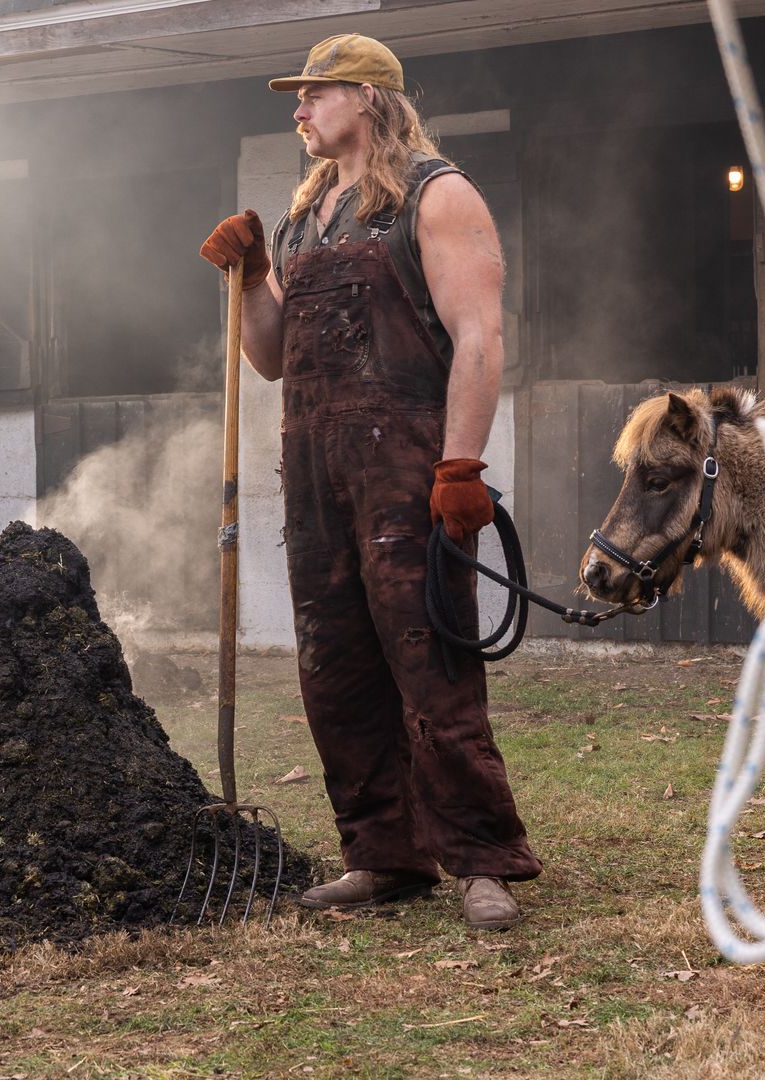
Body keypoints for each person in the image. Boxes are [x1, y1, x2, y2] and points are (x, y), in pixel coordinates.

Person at [198, 34, 539, 928]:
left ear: (370, 98)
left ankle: (478, 858)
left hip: (407, 466)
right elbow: (270, 359)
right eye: (298, 96)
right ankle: (382, 853)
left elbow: (479, 339)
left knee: (431, 660)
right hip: (314, 471)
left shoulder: (438, 194)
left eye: (315, 94)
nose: (299, 110)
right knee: (335, 666)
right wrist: (252, 279)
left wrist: (460, 465)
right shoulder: (306, 216)